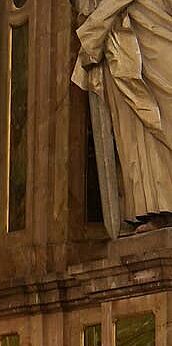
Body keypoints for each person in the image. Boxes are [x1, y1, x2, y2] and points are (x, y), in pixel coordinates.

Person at [72, 0, 172, 230]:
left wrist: (95, 25)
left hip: (152, 19)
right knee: (134, 128)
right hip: (119, 31)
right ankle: (155, 209)